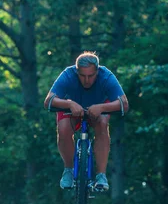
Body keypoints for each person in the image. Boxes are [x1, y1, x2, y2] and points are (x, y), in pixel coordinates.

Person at [43, 51, 129, 191]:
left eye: (91, 76)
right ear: (76, 72)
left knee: (102, 123)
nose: (87, 80)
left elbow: (124, 104)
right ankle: (68, 170)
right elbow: (48, 101)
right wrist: (69, 104)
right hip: (72, 109)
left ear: (97, 71)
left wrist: (101, 107)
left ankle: (101, 175)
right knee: (63, 128)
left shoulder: (106, 76)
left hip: (99, 108)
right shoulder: (68, 74)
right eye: (82, 76)